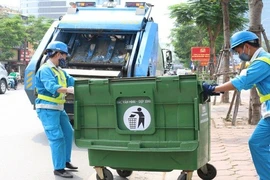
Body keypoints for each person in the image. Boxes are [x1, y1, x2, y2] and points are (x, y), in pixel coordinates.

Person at [203, 30, 270, 179]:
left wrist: (212, 88)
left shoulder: (262, 62)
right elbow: (245, 82)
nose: (239, 54)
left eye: (239, 50)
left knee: (257, 143)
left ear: (246, 46)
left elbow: (241, 82)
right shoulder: (263, 60)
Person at [35, 41, 78, 178]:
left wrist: (90, 85)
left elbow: (73, 81)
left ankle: (65, 161)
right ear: (58, 54)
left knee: (68, 133)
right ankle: (58, 169)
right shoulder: (45, 70)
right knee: (57, 138)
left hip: (58, 108)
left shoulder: (59, 71)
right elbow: (51, 87)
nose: (65, 59)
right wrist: (69, 90)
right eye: (65, 56)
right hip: (47, 109)